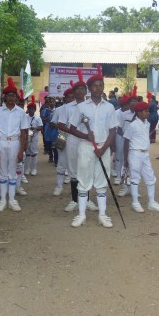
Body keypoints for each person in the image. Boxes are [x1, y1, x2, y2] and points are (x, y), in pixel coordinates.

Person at [68, 66, 118, 228]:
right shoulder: (81, 107)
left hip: (103, 147)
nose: (98, 88)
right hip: (86, 147)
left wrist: (104, 149)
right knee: (83, 180)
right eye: (95, 86)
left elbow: (113, 130)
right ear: (89, 89)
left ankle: (102, 215)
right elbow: (72, 128)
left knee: (102, 181)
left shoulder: (109, 107)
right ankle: (81, 215)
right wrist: (85, 136)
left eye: (101, 85)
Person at [58, 70, 98, 213]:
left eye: (83, 89)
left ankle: (86, 199)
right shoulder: (67, 107)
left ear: (86, 91)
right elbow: (61, 124)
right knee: (74, 171)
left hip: (88, 142)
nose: (81, 91)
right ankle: (75, 199)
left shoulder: (91, 105)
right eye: (78, 89)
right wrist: (75, 132)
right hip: (74, 141)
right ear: (74, 92)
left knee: (86, 169)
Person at [0, 78, 28, 212]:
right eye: (9, 95)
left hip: (14, 142)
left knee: (12, 172)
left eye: (14, 95)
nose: (11, 98)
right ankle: (2, 200)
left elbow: (23, 132)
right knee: (2, 171)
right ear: (4, 97)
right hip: (1, 142)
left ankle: (12, 200)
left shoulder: (20, 112)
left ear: (16, 97)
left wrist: (21, 150)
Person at [123, 98, 159, 213]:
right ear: (139, 113)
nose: (148, 113)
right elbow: (126, 141)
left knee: (150, 177)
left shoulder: (147, 123)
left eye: (148, 111)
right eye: (145, 111)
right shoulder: (132, 125)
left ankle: (151, 202)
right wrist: (126, 159)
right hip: (135, 153)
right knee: (135, 178)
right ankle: (135, 202)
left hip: (145, 153)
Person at [52, 87, 73, 195]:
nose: (70, 99)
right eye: (68, 97)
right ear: (65, 99)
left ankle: (75, 186)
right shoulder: (59, 110)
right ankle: (59, 186)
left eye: (72, 97)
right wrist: (59, 125)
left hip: (76, 138)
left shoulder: (79, 108)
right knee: (61, 161)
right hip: (63, 136)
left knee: (75, 161)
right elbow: (53, 122)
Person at [24, 96, 43, 176]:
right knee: (27, 153)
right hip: (26, 137)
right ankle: (27, 168)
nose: (31, 110)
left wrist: (35, 128)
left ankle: (34, 169)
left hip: (34, 137)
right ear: (27, 110)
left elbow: (41, 127)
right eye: (29, 109)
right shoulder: (25, 117)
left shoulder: (38, 118)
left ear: (35, 110)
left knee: (34, 153)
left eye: (32, 109)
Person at [42, 96, 58, 164]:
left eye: (53, 102)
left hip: (55, 130)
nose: (51, 103)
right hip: (48, 129)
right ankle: (51, 157)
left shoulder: (57, 110)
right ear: (48, 103)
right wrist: (46, 119)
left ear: (55, 103)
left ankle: (56, 160)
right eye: (50, 102)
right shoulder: (46, 110)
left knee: (55, 145)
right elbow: (43, 118)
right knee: (49, 145)